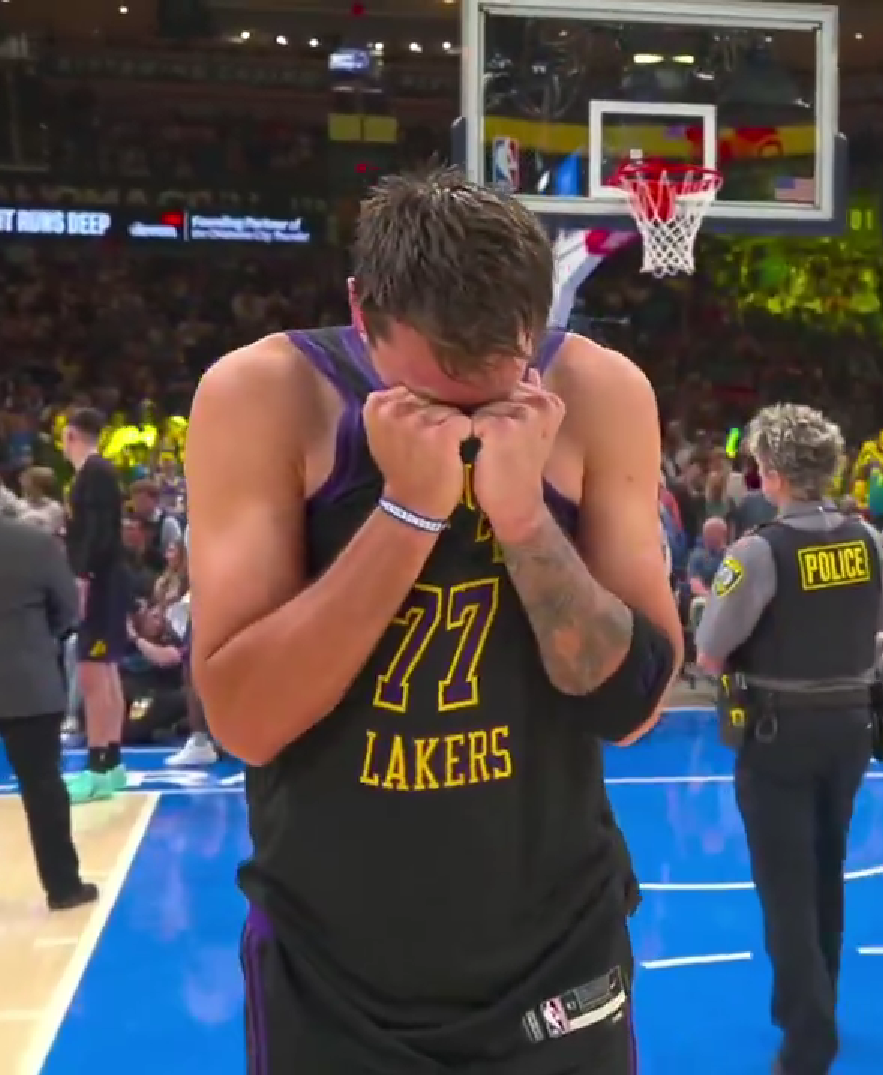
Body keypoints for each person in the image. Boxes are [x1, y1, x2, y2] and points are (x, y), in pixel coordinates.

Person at [185, 169, 680, 1074]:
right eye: (427, 400)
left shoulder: (599, 391)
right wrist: (408, 511)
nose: (463, 426)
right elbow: (245, 721)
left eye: (491, 396)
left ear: (534, 323)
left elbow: (635, 705)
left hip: (558, 953)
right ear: (359, 310)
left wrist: (524, 519)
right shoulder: (264, 396)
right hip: (337, 972)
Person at [690, 403, 883, 1075]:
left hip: (779, 727)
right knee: (825, 866)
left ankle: (808, 1038)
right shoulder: (870, 541)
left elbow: (710, 654)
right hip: (851, 723)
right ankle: (813, 1002)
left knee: (784, 884)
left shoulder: (758, 551)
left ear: (773, 473)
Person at [0, 459, 98, 913]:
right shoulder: (35, 541)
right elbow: (67, 610)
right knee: (43, 787)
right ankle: (63, 887)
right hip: (29, 679)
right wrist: (37, 640)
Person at [61, 407, 131, 803]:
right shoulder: (98, 472)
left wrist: (83, 578)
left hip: (99, 581)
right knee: (106, 671)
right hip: (106, 579)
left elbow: (97, 534)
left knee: (92, 673)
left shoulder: (94, 473)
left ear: (71, 434)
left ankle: (98, 767)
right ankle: (112, 763)